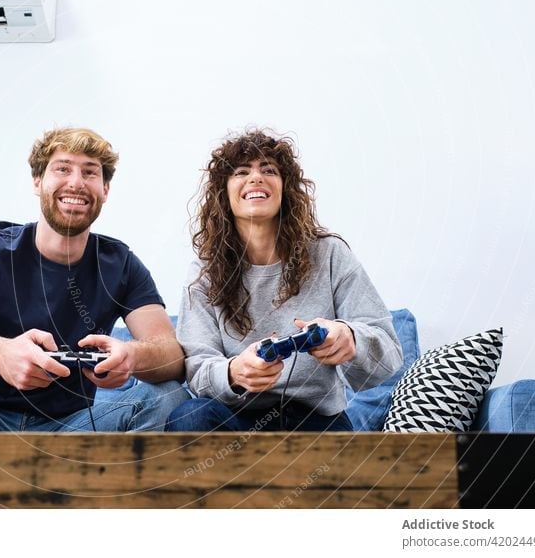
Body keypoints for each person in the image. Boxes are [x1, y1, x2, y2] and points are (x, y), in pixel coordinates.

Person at [0, 127, 189, 432]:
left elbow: (173, 355)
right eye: (62, 169)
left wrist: (132, 356)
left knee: (166, 395)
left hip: (70, 433)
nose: (76, 183)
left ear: (105, 190)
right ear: (38, 182)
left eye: (90, 173)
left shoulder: (121, 265)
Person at [165, 129, 402, 432]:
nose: (256, 178)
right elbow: (197, 365)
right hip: (234, 419)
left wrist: (351, 338)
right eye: (241, 172)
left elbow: (390, 352)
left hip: (315, 419)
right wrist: (233, 373)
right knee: (190, 418)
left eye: (269, 170)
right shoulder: (204, 271)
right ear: (223, 194)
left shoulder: (329, 254)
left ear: (285, 188)